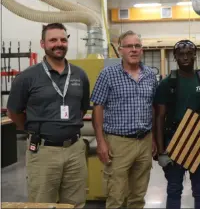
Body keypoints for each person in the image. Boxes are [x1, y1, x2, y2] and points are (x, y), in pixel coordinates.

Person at [7, 23, 90, 208]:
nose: (58, 44)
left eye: (62, 39)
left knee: (75, 203)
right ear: (43, 44)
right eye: (53, 40)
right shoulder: (27, 77)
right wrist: (33, 130)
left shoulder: (80, 75)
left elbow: (82, 109)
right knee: (42, 203)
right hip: (43, 151)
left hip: (75, 150)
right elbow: (14, 112)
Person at [90, 30, 158, 209]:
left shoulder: (151, 75)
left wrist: (153, 138)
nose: (134, 50)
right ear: (120, 50)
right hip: (117, 143)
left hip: (144, 141)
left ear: (142, 50)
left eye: (137, 46)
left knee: (138, 196)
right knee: (116, 196)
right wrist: (101, 142)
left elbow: (152, 107)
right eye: (129, 46)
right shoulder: (108, 74)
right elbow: (98, 107)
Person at [154, 39, 200, 209]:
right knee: (174, 189)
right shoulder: (166, 84)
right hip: (173, 141)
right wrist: (161, 152)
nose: (185, 57)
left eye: (189, 54)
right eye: (181, 54)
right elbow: (159, 117)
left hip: (199, 141)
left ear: (194, 55)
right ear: (175, 57)